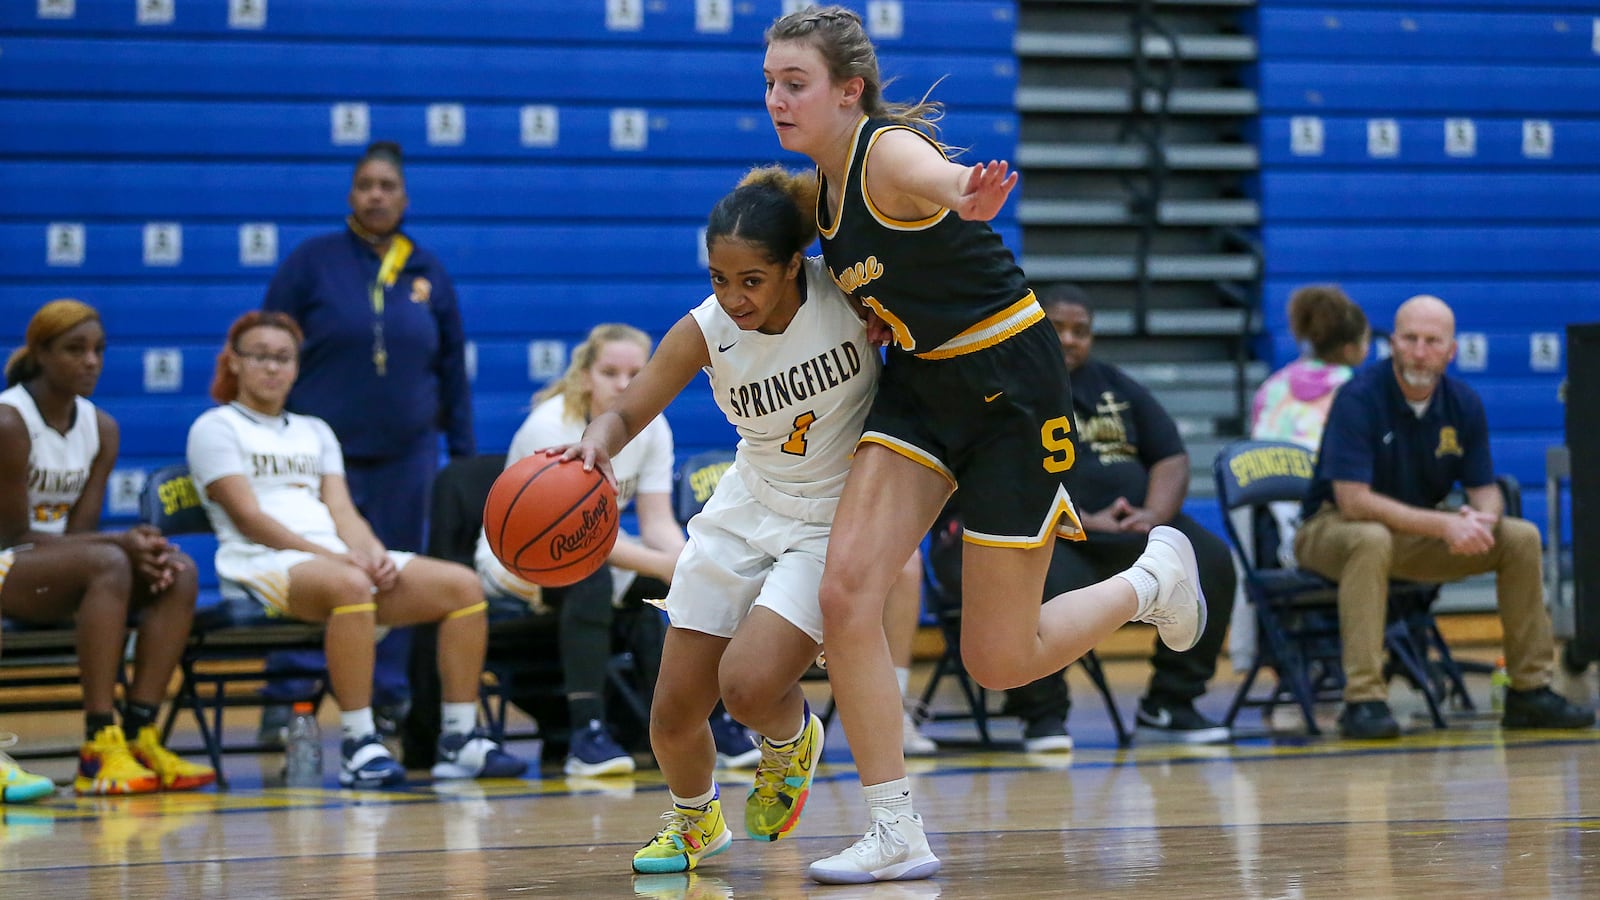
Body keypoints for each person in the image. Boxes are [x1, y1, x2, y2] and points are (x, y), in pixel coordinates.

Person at [762, 7, 1204, 884]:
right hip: (927, 386)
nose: (776, 98)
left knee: (998, 659)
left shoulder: (884, 153)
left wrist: (963, 191)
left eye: (795, 83)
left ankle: (1150, 580)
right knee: (847, 591)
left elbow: (936, 176)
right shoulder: (822, 192)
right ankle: (895, 829)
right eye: (770, 82)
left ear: (849, 91)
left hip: (1012, 387)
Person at [558, 166, 876, 875]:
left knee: (749, 686)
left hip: (831, 518)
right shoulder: (706, 329)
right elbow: (629, 408)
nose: (734, 298)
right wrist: (597, 445)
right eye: (718, 279)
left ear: (796, 266)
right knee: (672, 714)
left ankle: (791, 740)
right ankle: (697, 821)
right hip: (747, 503)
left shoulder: (849, 296)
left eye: (752, 280)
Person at [185, 310, 524, 787]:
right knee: (349, 583)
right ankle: (358, 743)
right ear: (234, 363)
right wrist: (340, 560)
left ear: (297, 366)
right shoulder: (215, 427)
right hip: (258, 561)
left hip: (334, 561)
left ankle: (459, 739)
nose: (272, 367)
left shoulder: (314, 431)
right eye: (259, 356)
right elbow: (249, 519)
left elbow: (342, 512)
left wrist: (372, 552)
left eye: (282, 357)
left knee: (462, 586)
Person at [929, 285, 1238, 749]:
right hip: (1036, 533)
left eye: (1082, 331)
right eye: (1059, 328)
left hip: (1123, 532)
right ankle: (1041, 714)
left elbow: (1171, 457)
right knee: (1040, 577)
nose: (1071, 340)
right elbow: (997, 475)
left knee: (1209, 556)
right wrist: (1083, 517)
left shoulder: (1117, 385)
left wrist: (1152, 514)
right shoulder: (1003, 384)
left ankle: (1170, 702)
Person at [1294, 294, 1593, 739]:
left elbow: (1485, 490)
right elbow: (1353, 501)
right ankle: (1364, 699)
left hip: (1411, 534)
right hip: (1331, 529)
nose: (1419, 351)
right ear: (1391, 344)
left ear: (1451, 351)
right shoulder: (1359, 397)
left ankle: (1529, 690)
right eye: (1409, 339)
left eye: (1432, 341)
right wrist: (1445, 525)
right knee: (1370, 537)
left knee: (1521, 537)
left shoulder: (1463, 403)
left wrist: (1481, 522)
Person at [258, 139, 475, 741]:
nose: (375, 195)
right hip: (321, 456)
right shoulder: (312, 262)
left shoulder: (426, 269)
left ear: (404, 197)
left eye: (387, 186)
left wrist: (460, 457)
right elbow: (267, 343)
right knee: (315, 568)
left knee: (393, 574)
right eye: (365, 185)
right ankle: (290, 700)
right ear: (350, 194)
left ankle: (391, 698)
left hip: (408, 455)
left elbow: (452, 369)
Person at [0, 300, 216, 795]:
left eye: (98, 350)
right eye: (75, 350)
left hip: (54, 568)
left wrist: (135, 546)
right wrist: (120, 542)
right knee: (110, 560)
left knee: (176, 569)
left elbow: (79, 533)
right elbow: (12, 537)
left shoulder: (101, 427)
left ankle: (140, 733)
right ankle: (98, 744)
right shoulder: (10, 421)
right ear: (41, 354)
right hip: (7, 565)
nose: (92, 361)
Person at [475, 323, 686, 778]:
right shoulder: (552, 424)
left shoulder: (652, 426)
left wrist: (690, 565)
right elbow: (568, 542)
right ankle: (586, 734)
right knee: (592, 577)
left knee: (661, 583)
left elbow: (657, 522)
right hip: (514, 557)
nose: (625, 384)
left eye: (636, 372)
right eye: (611, 371)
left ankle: (692, 724)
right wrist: (664, 564)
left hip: (591, 553)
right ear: (586, 375)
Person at [1251, 284, 1371, 450]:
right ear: (1349, 350)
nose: (1368, 347)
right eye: (1365, 341)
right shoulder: (1356, 393)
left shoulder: (1271, 387)